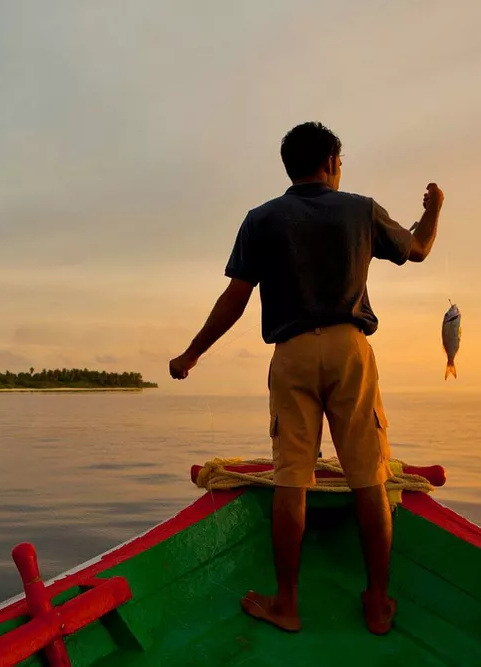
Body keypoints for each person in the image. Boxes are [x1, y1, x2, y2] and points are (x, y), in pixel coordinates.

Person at [168, 121, 443, 635]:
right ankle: (379, 602)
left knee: (291, 478)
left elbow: (235, 298)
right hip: (349, 349)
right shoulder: (361, 209)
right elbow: (419, 249)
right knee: (369, 477)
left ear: (290, 167)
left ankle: (287, 604)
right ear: (333, 162)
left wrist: (191, 354)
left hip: (291, 353)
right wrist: (432, 212)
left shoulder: (261, 219)